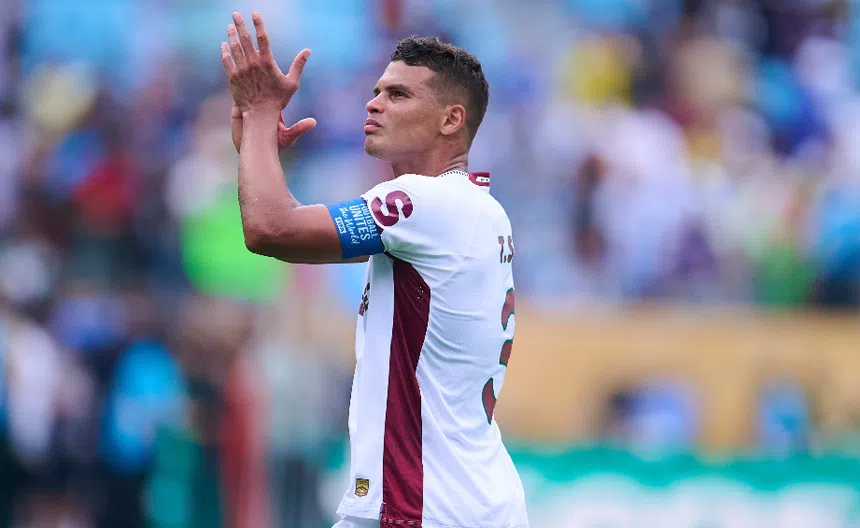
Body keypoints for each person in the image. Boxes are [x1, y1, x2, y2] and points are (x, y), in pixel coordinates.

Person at [221, 11, 529, 528]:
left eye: (398, 94)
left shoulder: (424, 203)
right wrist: (257, 148)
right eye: (377, 91)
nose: (373, 103)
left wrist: (257, 114)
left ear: (451, 120)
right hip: (448, 500)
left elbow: (269, 228)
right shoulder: (473, 208)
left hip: (427, 506)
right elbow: (282, 219)